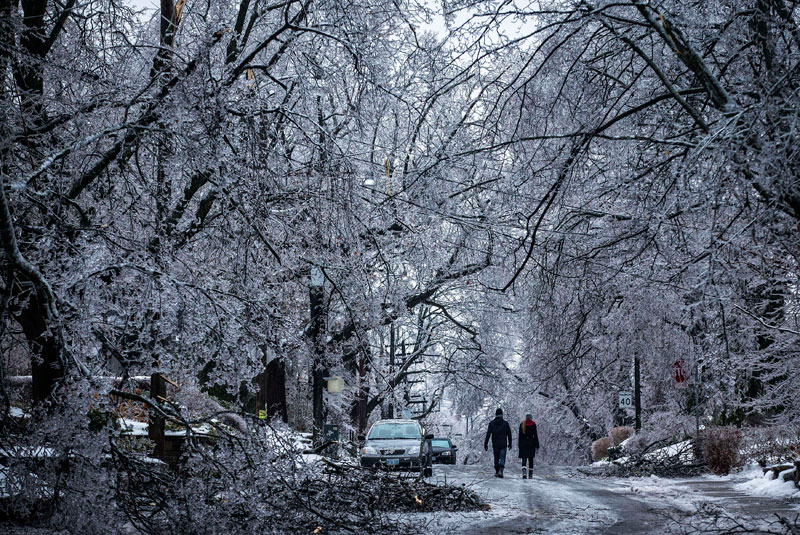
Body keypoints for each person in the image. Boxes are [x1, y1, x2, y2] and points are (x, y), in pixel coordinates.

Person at [484, 407, 513, 478]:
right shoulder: (505, 423)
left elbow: (488, 434)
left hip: (495, 443)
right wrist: (510, 443)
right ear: (502, 415)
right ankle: (501, 470)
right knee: (502, 457)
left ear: (495, 414)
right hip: (503, 444)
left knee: (496, 457)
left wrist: (486, 443)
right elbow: (509, 434)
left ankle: (497, 471)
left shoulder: (491, 423)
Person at [518, 413, 540, 479]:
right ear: (531, 418)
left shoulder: (522, 424)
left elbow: (520, 436)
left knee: (524, 460)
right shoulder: (533, 424)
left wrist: (519, 445)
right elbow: (535, 435)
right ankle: (530, 475)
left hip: (523, 444)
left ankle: (524, 473)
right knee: (531, 460)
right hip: (531, 444)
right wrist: (537, 445)